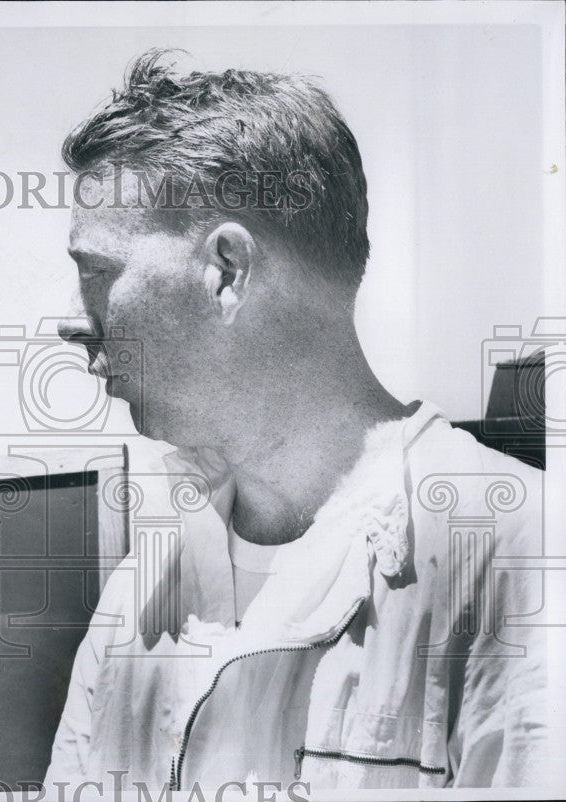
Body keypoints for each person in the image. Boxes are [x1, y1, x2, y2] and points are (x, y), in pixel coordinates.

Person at [49, 51, 547, 791]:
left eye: (98, 271)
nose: (70, 322)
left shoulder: (522, 557)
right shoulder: (141, 589)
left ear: (226, 270)